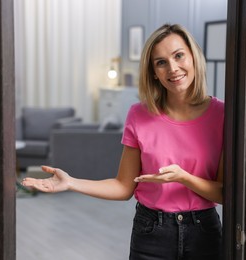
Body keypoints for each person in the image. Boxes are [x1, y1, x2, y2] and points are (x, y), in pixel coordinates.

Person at [22, 23, 224, 260]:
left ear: (193, 56)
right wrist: (71, 183)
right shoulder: (139, 114)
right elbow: (123, 186)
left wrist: (183, 177)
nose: (173, 68)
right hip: (151, 233)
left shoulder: (222, 114)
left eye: (179, 55)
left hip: (204, 234)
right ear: (153, 73)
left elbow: (222, 193)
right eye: (161, 62)